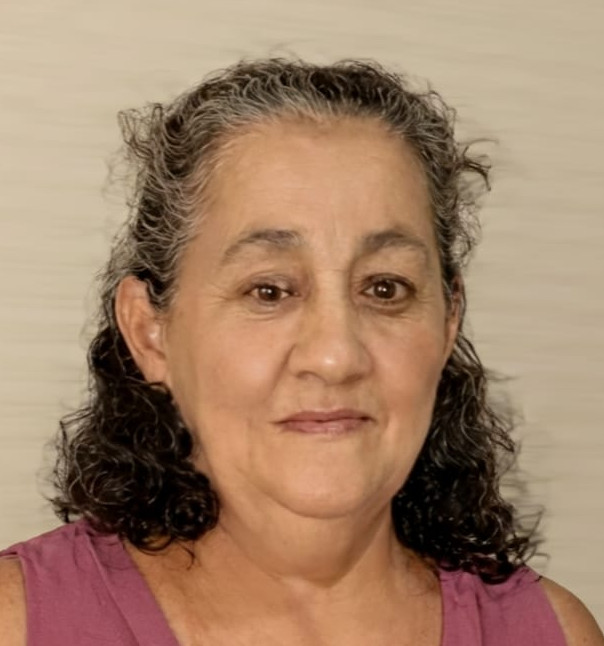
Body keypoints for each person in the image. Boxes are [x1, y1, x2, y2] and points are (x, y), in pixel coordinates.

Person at [0, 57, 601, 646]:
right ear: (149, 332)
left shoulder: (551, 633)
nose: (336, 357)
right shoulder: (18, 622)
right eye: (269, 290)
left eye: (385, 288)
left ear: (449, 321)